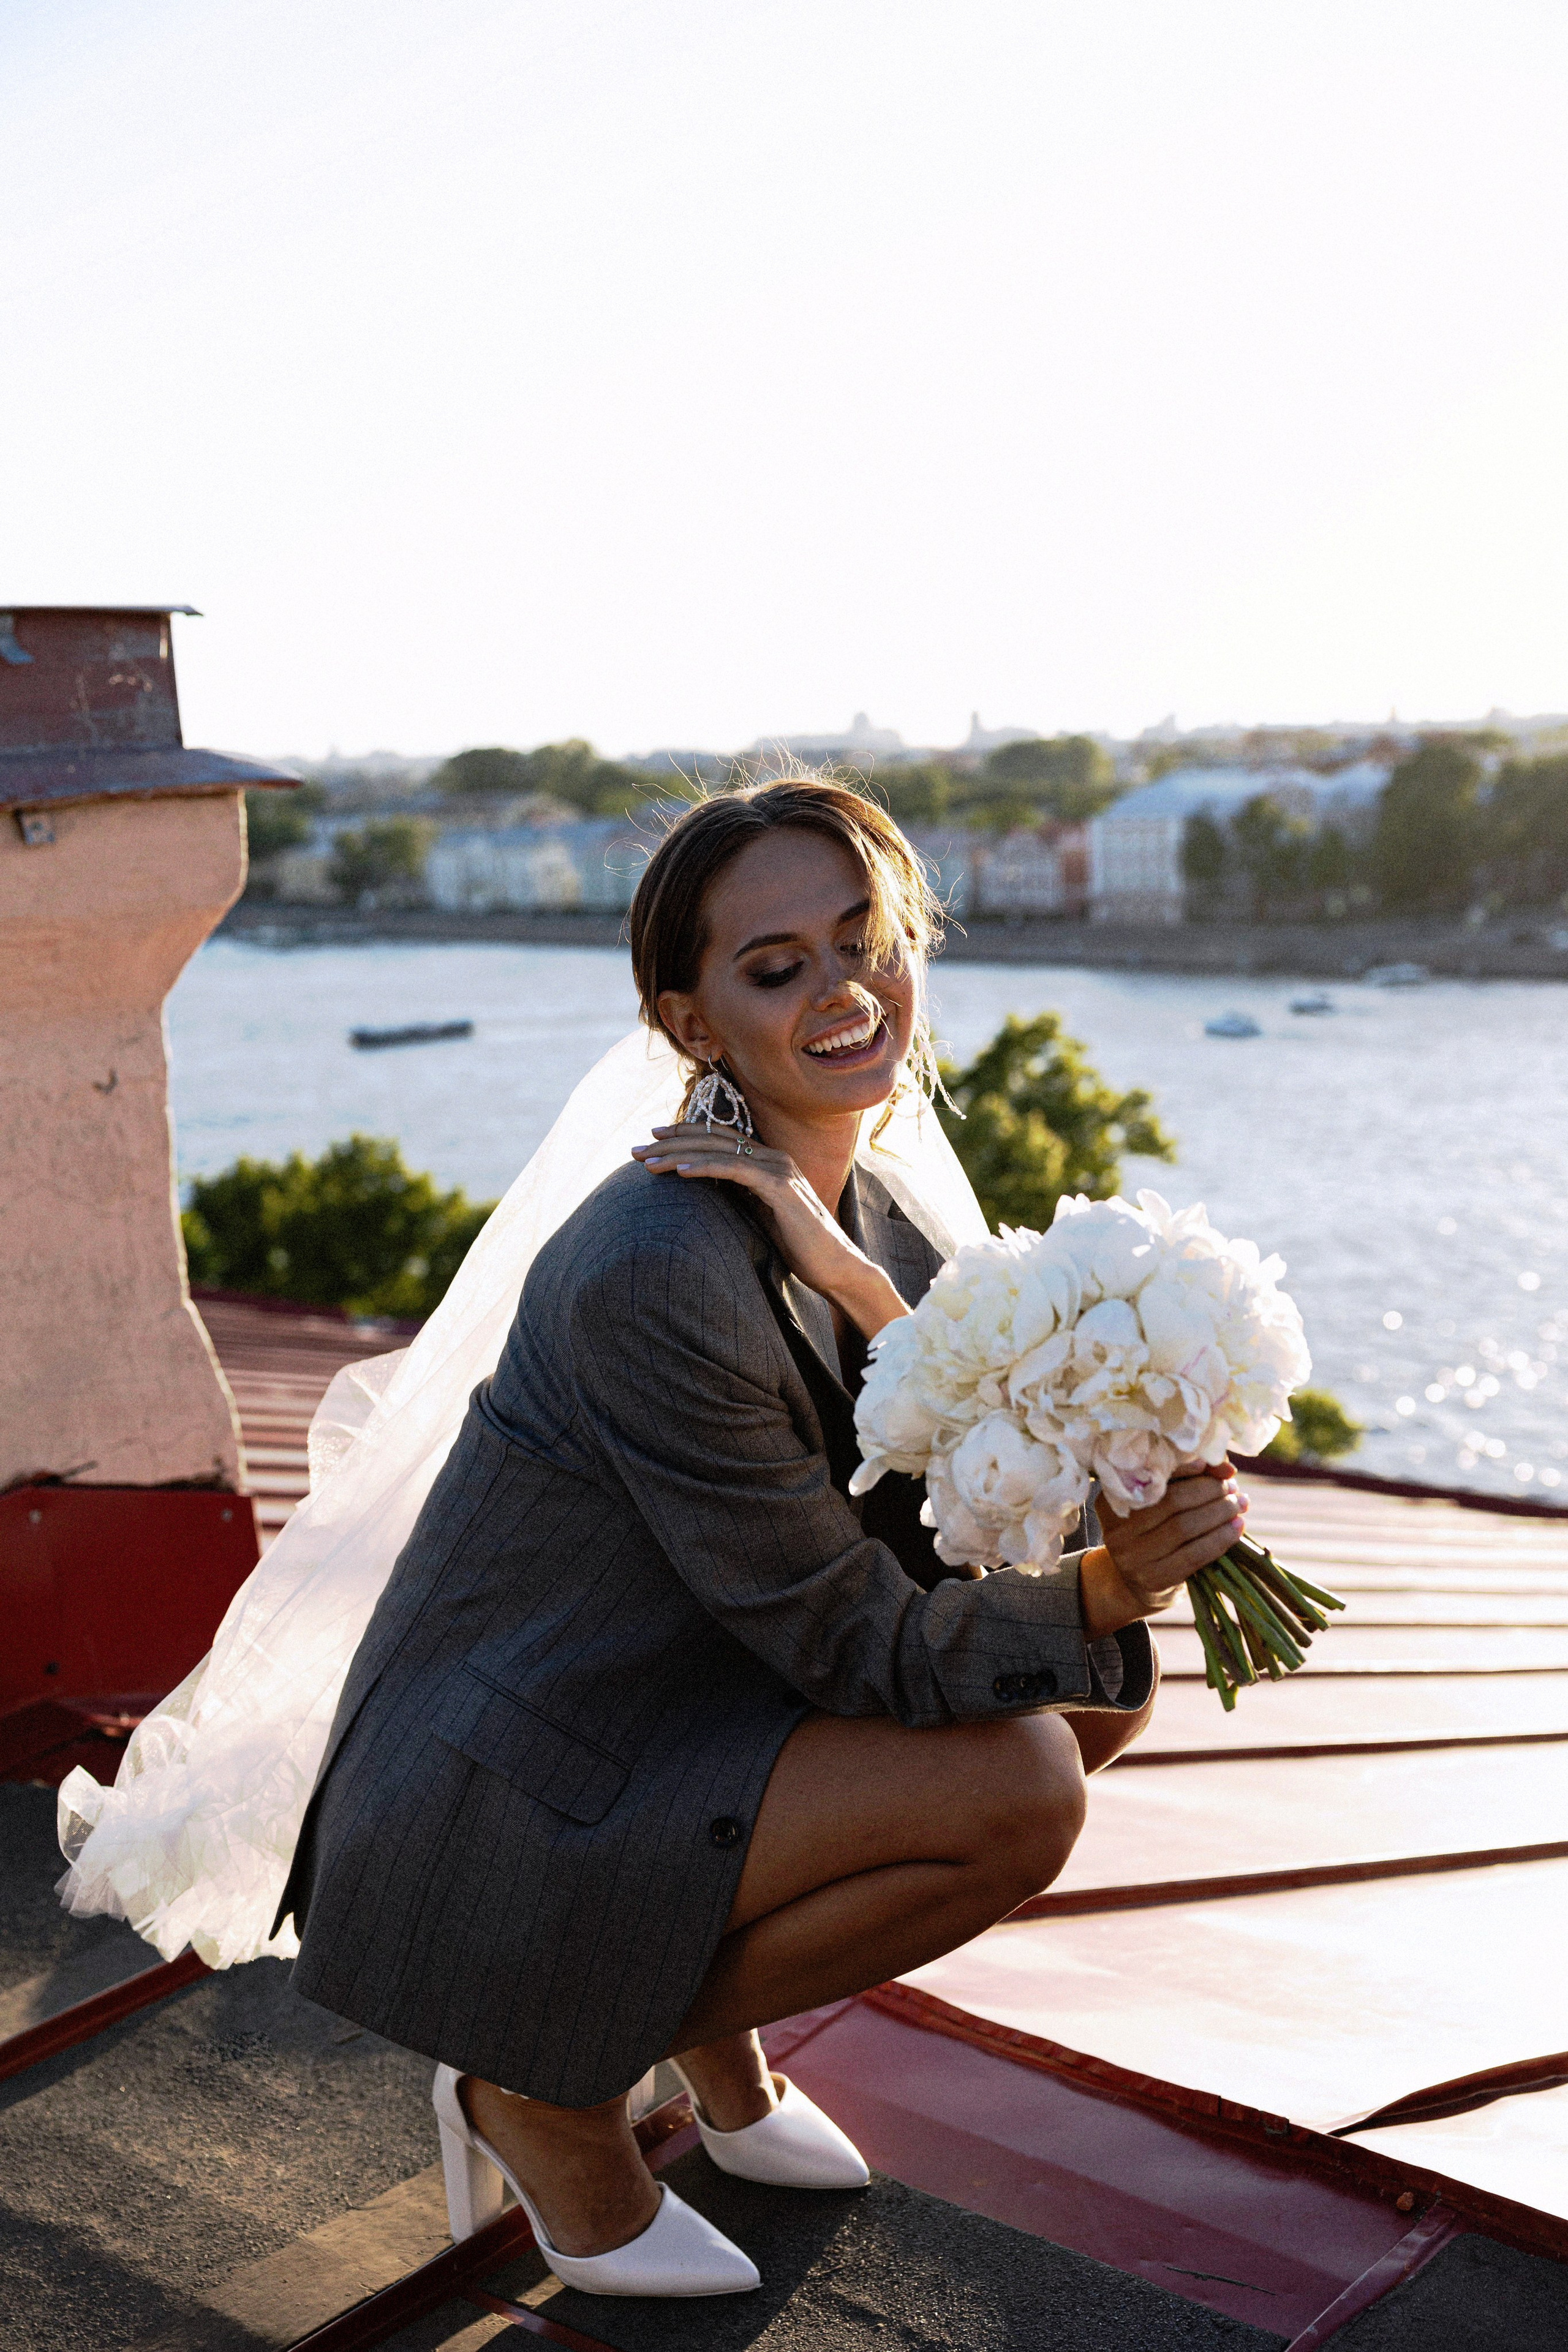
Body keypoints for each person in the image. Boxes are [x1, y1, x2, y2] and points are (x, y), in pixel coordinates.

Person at [65, 775, 1249, 2302]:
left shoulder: (871, 1207)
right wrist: (1103, 1579)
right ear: (692, 1024)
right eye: (776, 967)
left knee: (1091, 1690)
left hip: (681, 1717)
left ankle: (702, 2040)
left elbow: (932, 1515)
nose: (843, 989)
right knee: (1021, 1781)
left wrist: (882, 1307)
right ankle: (538, 2086)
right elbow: (850, 1635)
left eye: (864, 938)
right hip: (516, 1791)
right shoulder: (659, 1266)